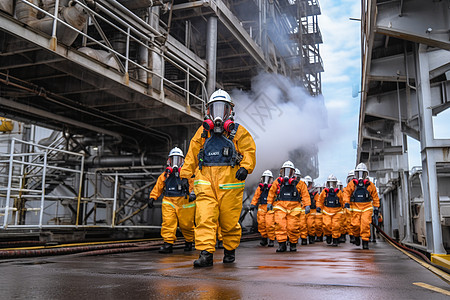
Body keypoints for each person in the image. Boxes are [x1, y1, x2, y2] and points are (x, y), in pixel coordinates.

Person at [180, 89, 256, 267]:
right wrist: (185, 175)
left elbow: (249, 151)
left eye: (224, 109)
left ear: (230, 112)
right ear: (208, 111)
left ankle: (229, 250)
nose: (219, 114)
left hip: (230, 185)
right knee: (204, 218)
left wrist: (245, 168)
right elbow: (191, 156)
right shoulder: (202, 133)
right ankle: (206, 254)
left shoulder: (238, 132)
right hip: (205, 182)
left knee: (229, 222)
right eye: (215, 108)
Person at [149, 147, 196, 253]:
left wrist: (193, 193)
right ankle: (168, 244)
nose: (175, 163)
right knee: (168, 223)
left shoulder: (187, 175)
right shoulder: (165, 175)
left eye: (178, 159)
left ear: (183, 161)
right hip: (169, 200)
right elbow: (158, 186)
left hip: (185, 201)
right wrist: (153, 197)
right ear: (169, 161)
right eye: (173, 159)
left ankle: (189, 241)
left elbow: (194, 184)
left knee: (187, 224)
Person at [267, 161, 310, 252]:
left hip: (294, 207)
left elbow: (305, 194)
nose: (287, 173)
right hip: (280, 206)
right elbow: (271, 192)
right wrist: (269, 203)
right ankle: (281, 244)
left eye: (289, 171)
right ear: (281, 171)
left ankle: (293, 244)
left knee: (293, 226)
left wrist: (307, 205)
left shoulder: (299, 183)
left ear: (293, 172)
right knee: (280, 225)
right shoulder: (278, 182)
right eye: (285, 170)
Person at [344, 163, 380, 250]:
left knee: (365, 225)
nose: (360, 176)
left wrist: (376, 207)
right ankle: (356, 237)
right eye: (358, 173)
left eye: (362, 173)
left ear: (366, 174)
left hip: (366, 207)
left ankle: (365, 241)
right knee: (355, 225)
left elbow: (375, 196)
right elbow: (347, 193)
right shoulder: (352, 184)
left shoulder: (370, 185)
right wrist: (346, 202)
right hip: (355, 207)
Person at [317, 174, 347, 247]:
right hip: (327, 211)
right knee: (326, 225)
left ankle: (335, 239)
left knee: (336, 225)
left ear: (336, 184)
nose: (331, 185)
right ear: (327, 183)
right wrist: (319, 207)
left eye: (333, 183)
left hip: (337, 211)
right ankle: (328, 236)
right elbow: (320, 201)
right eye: (330, 183)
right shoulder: (324, 192)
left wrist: (345, 206)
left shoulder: (339, 192)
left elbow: (343, 200)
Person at [250, 170, 274, 246]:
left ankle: (271, 239)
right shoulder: (260, 188)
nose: (266, 180)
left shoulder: (273, 188)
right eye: (264, 178)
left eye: (268, 178)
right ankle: (264, 238)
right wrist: (253, 204)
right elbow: (256, 196)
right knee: (261, 224)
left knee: (270, 223)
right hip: (261, 207)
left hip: (270, 207)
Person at [303, 176, 320, 244]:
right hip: (303, 210)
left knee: (311, 225)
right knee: (303, 225)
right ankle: (303, 239)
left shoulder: (314, 193)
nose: (308, 185)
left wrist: (318, 207)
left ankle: (311, 237)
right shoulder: (301, 191)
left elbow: (318, 200)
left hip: (312, 211)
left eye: (309, 183)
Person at [345, 170, 356, 244]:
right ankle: (352, 236)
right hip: (350, 206)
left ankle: (357, 236)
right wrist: (346, 203)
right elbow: (345, 196)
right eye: (350, 179)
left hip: (358, 205)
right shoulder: (347, 189)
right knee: (349, 222)